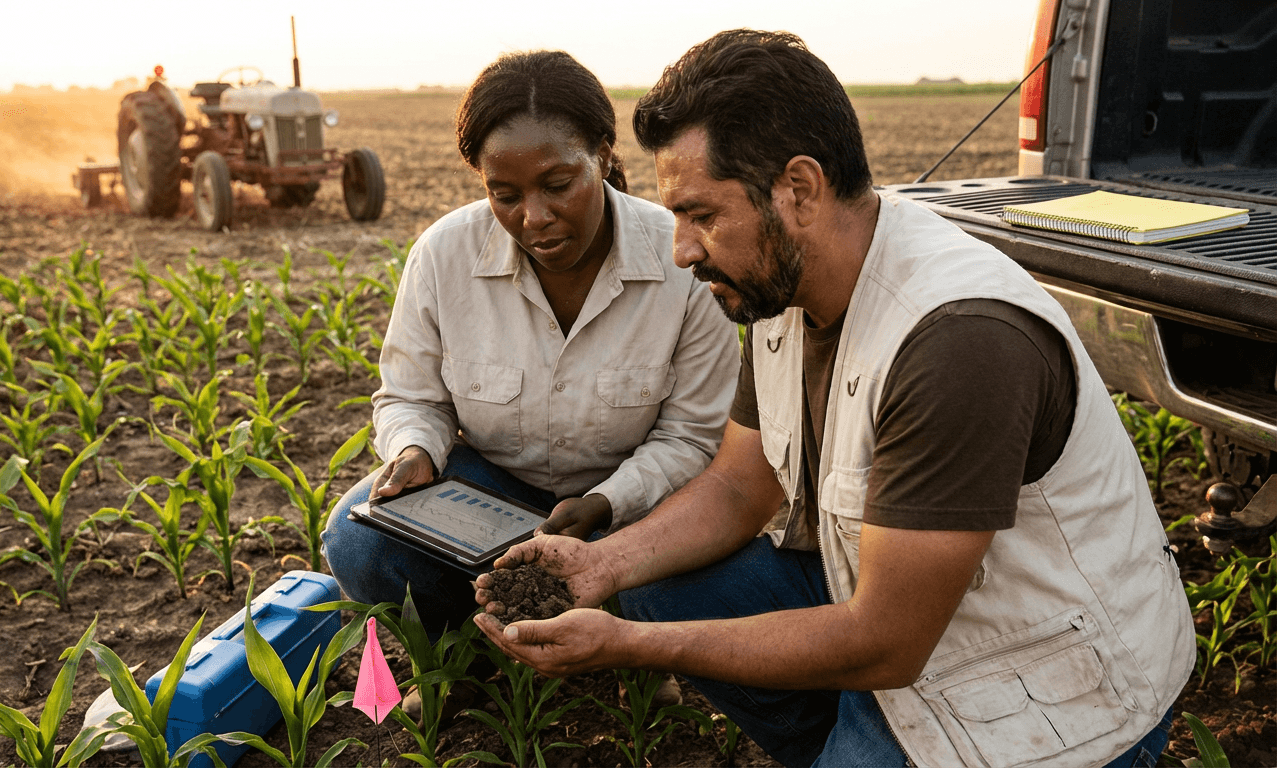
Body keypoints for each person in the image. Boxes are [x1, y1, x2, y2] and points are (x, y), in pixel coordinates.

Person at [474, 30, 1194, 768]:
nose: (681, 251)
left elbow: (887, 640)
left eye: (702, 216)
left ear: (799, 189)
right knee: (662, 580)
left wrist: (632, 646)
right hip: (902, 615)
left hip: (1046, 687)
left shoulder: (958, 341)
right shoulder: (777, 288)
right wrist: (605, 564)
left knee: (674, 620)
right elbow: (737, 486)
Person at [321, 50, 738, 644]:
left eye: (557, 185)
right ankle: (465, 656)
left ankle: (635, 650)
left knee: (708, 570)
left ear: (601, 154)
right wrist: (414, 451)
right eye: (505, 195)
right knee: (359, 542)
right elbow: (412, 397)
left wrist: (603, 502)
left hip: (627, 510)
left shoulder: (682, 261)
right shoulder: (444, 255)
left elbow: (692, 436)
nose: (534, 217)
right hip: (490, 501)